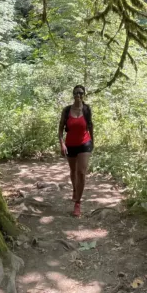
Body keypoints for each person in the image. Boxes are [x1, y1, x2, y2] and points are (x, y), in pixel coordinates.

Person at [58, 85, 94, 218]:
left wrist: (93, 142)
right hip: (70, 144)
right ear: (73, 94)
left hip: (85, 143)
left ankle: (78, 203)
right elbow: (61, 129)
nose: (78, 95)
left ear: (84, 94)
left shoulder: (86, 109)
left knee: (81, 173)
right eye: (76, 93)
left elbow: (90, 126)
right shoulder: (67, 110)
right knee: (73, 171)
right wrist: (62, 144)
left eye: (81, 93)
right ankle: (75, 189)